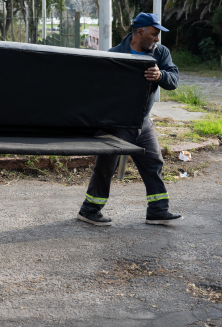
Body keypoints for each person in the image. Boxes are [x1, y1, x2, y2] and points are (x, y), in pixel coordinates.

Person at [77, 12, 183, 226]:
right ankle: (89, 210)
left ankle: (157, 211)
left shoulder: (160, 53)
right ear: (139, 32)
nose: (157, 39)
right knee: (107, 166)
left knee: (154, 162)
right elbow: (98, 91)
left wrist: (161, 75)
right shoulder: (114, 55)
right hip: (117, 124)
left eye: (158, 35)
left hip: (143, 122)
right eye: (154, 34)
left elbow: (174, 80)